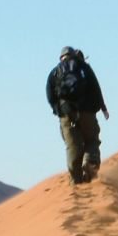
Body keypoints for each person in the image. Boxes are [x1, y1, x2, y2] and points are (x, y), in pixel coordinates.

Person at [46, 46, 110, 184]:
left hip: (67, 114)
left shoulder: (55, 72)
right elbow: (95, 86)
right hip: (87, 111)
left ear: (61, 57)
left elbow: (50, 95)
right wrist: (103, 107)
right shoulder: (84, 67)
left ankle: (75, 181)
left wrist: (58, 110)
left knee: (73, 146)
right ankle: (89, 162)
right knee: (92, 140)